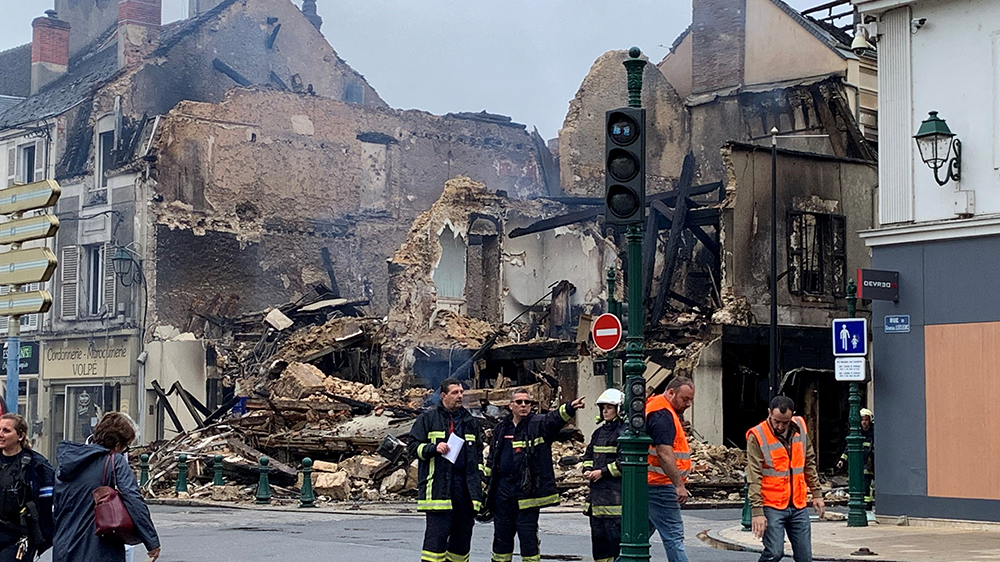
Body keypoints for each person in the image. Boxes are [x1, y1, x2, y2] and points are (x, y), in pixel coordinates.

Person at [486, 388, 585, 562]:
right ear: (511, 406)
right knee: (501, 539)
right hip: (503, 492)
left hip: (527, 493)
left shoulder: (539, 424)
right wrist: (485, 487)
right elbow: (493, 458)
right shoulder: (502, 428)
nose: (524, 405)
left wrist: (570, 407)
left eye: (527, 402)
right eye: (519, 402)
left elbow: (553, 419)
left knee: (528, 539)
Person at [53, 411, 160, 562]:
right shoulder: (114, 461)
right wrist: (152, 541)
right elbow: (133, 499)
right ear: (117, 445)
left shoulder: (66, 463)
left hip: (64, 548)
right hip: (100, 550)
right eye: (126, 447)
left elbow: (56, 508)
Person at [407, 378, 485, 562]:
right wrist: (433, 448)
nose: (460, 396)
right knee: (436, 541)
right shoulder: (428, 419)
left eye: (461, 392)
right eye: (455, 392)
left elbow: (478, 454)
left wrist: (480, 479)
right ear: (443, 396)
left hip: (465, 490)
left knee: (462, 539)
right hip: (439, 487)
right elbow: (412, 447)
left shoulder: (469, 421)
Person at [746, 396, 825, 562]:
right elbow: (754, 476)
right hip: (771, 505)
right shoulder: (758, 436)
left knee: (805, 558)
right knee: (774, 552)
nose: (780, 426)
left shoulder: (800, 428)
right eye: (776, 421)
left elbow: (808, 462)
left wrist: (816, 493)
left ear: (792, 416)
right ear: (769, 413)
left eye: (785, 422)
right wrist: (757, 512)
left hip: (797, 504)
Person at [645, 376, 694, 562]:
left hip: (651, 482)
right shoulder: (662, 414)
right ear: (671, 392)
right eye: (685, 399)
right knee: (674, 536)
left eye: (691, 399)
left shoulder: (656, 407)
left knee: (639, 535)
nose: (688, 404)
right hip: (660, 485)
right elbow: (665, 455)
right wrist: (679, 485)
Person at [0, 413, 54, 561]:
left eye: (6, 430)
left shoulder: (38, 467)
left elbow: (47, 508)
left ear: (20, 435)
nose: (1, 434)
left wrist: (42, 540)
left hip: (19, 537)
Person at [582, 389, 625, 562]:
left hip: (615, 502)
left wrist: (602, 472)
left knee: (616, 545)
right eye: (603, 408)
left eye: (609, 407)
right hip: (597, 502)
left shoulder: (623, 433)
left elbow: (624, 463)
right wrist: (587, 470)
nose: (605, 411)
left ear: (619, 409)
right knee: (599, 550)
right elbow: (588, 456)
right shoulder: (598, 433)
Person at [836, 408, 874, 507]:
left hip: (869, 462)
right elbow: (848, 447)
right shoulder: (856, 432)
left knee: (867, 484)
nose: (864, 422)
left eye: (866, 420)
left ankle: (867, 504)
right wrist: (842, 459)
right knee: (858, 484)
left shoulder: (873, 433)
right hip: (858, 462)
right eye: (862, 420)